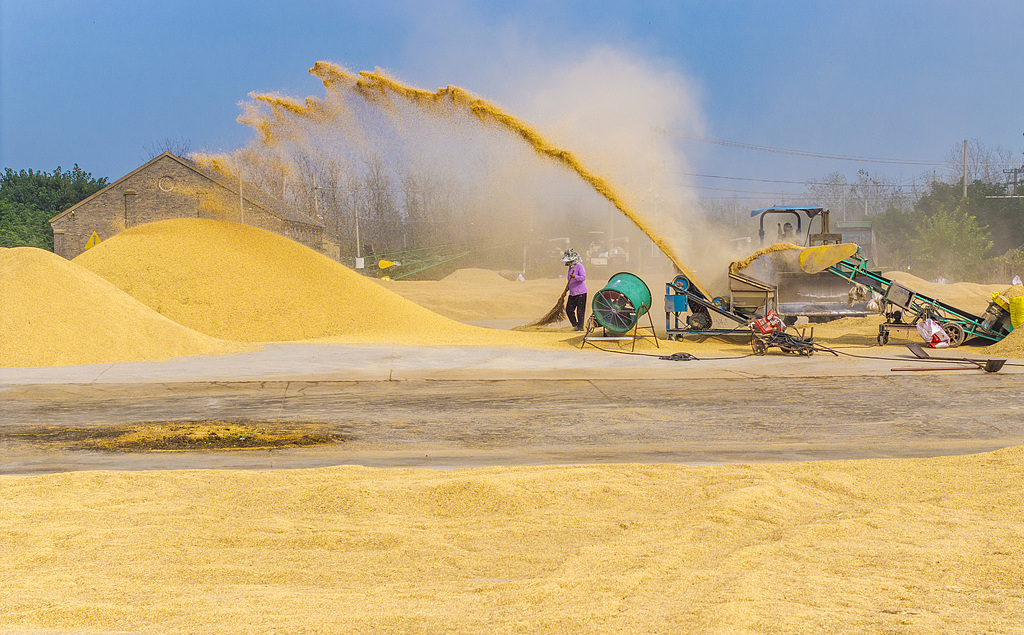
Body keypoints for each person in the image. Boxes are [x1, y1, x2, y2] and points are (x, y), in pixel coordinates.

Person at [561, 248, 588, 331]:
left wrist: (575, 277)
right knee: (569, 310)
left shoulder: (580, 266)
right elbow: (570, 282)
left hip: (581, 293)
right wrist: (566, 291)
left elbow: (583, 277)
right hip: (572, 293)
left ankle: (580, 328)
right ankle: (575, 325)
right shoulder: (570, 268)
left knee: (580, 311)